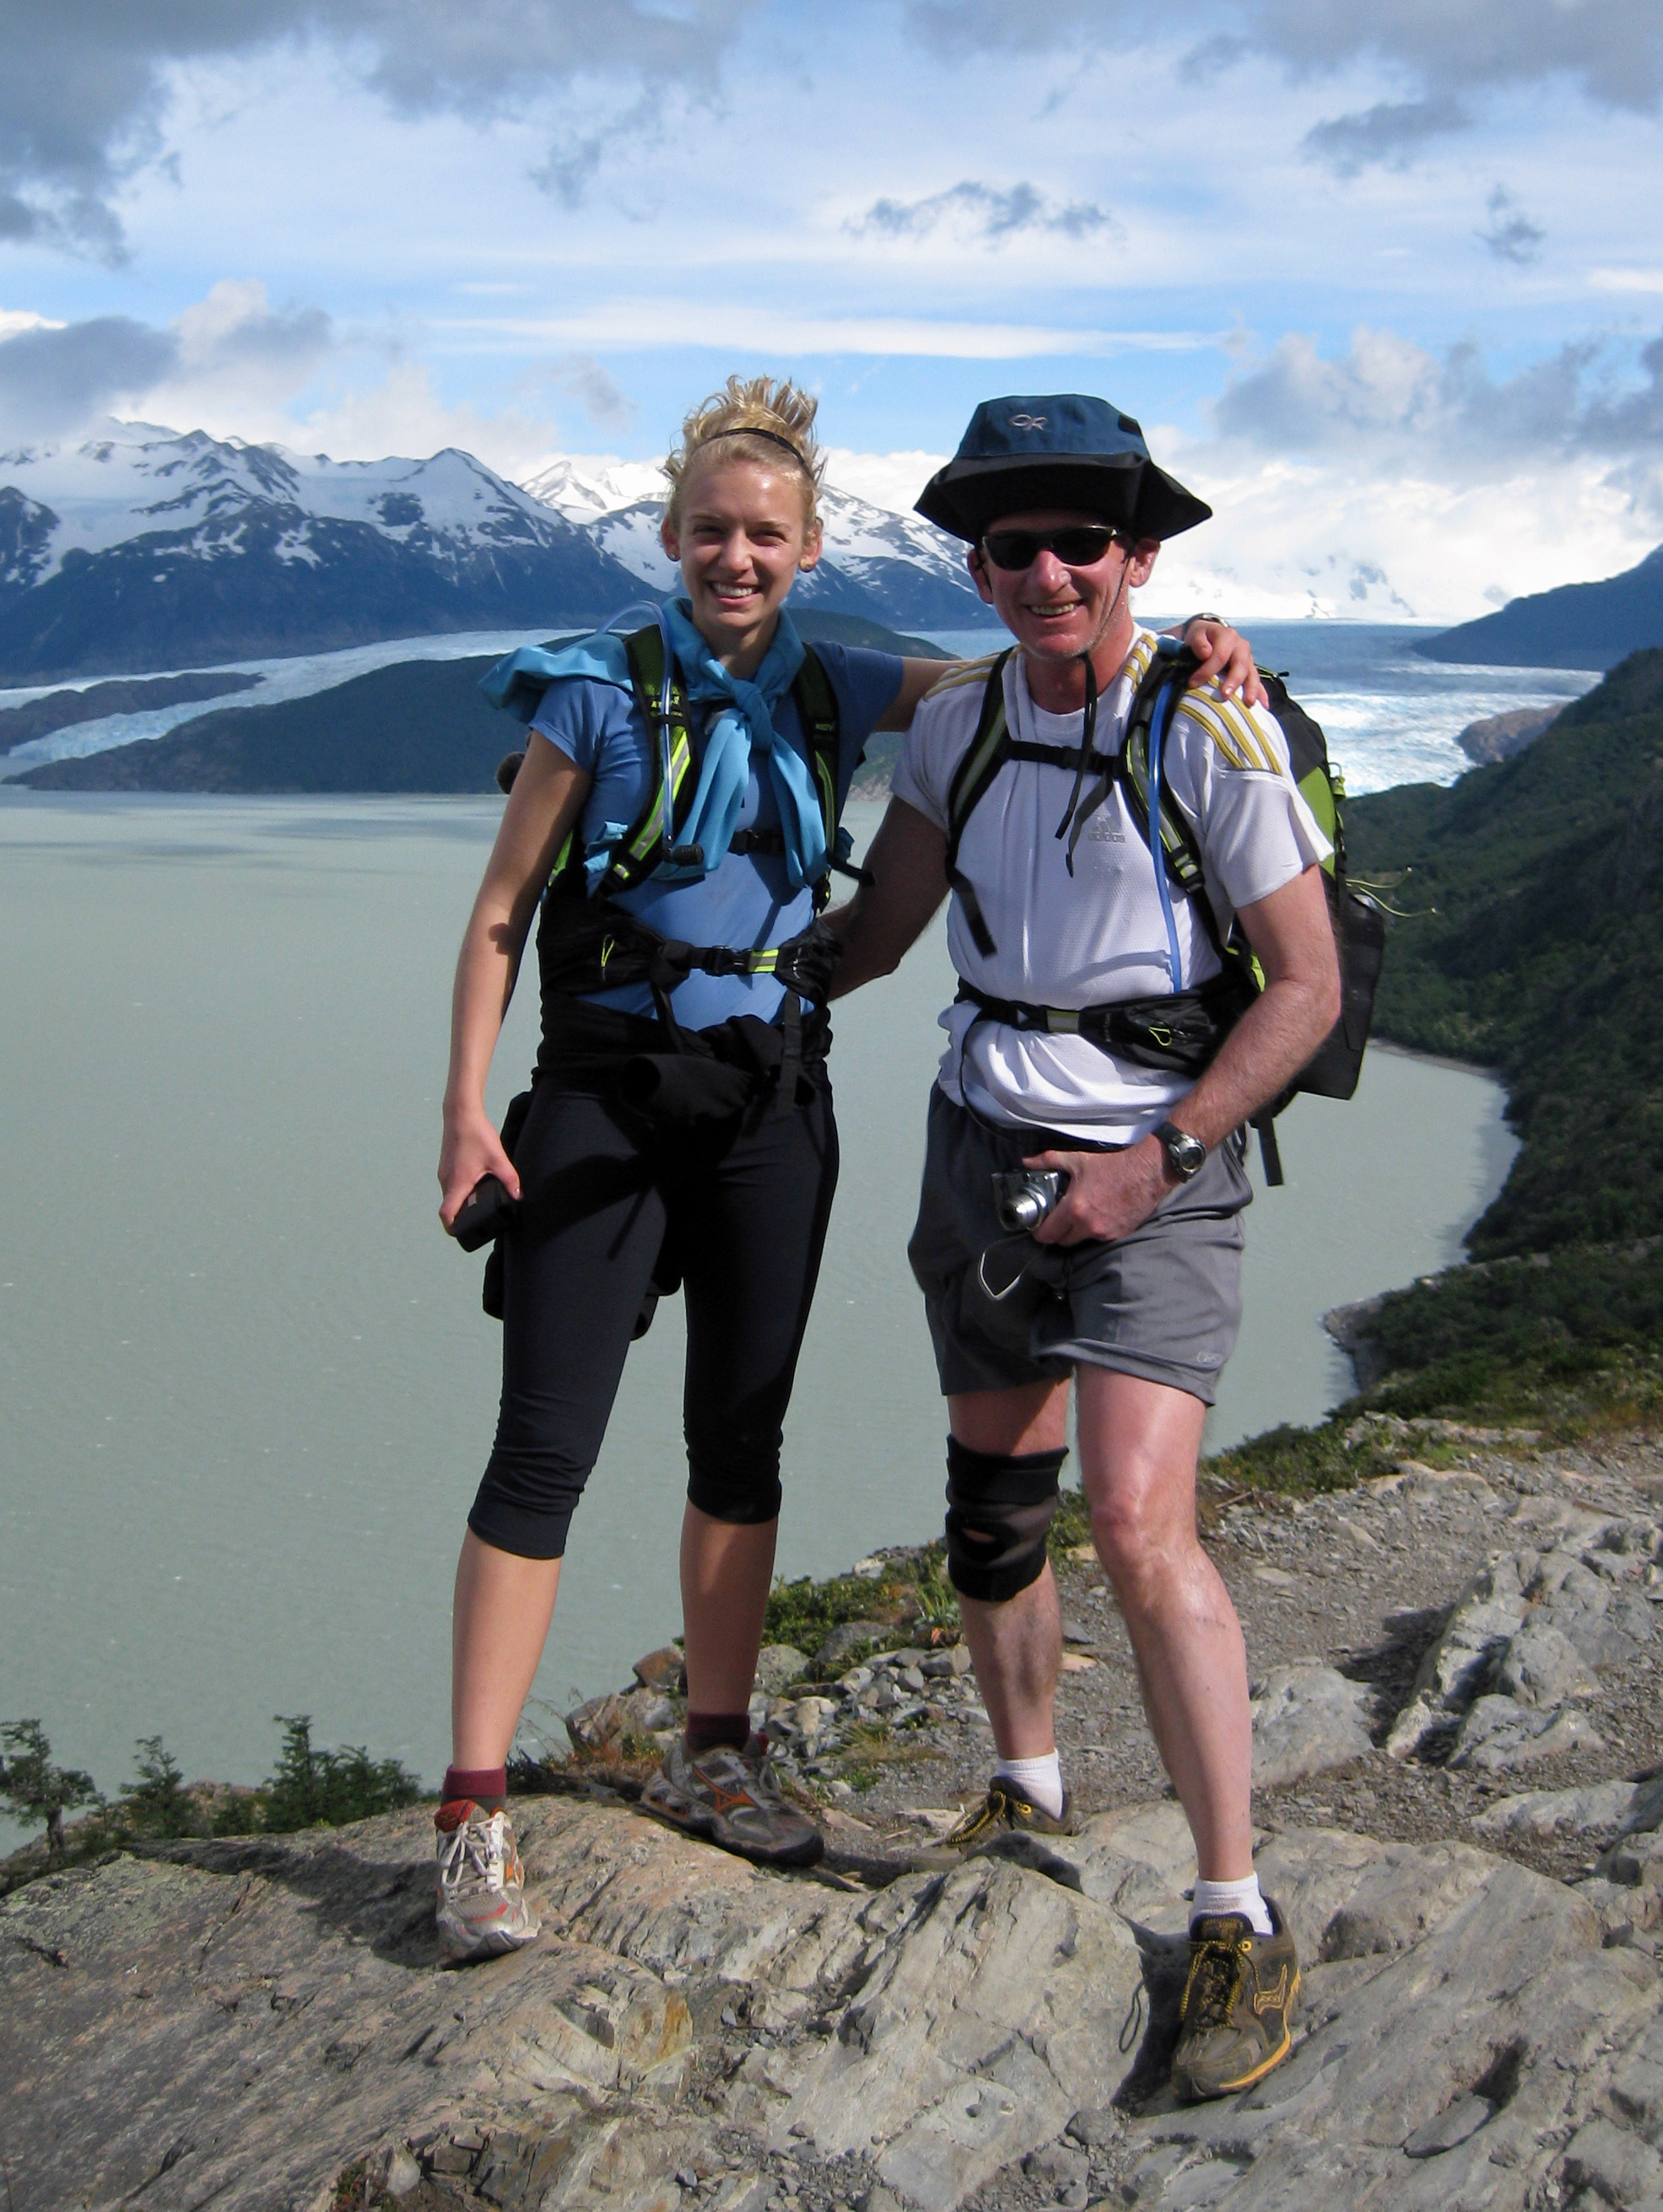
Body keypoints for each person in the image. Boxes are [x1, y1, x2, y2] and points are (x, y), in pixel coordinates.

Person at [429, 375, 1263, 1968]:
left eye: (768, 536)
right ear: (669, 537)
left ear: (811, 551)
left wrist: (1202, 644)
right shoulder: (592, 694)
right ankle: (474, 1812)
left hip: (769, 1103)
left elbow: (1030, 664)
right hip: (600, 1098)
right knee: (544, 1445)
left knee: (740, 1436)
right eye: (712, 533)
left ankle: (718, 1746)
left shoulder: (841, 681)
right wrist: (466, 1112)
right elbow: (499, 910)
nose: (736, 558)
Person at [827, 395, 1341, 2104]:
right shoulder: (955, 727)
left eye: (1079, 542)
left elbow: (1304, 988)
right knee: (994, 1509)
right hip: (981, 1144)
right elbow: (884, 932)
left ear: (1137, 555)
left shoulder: (1207, 727)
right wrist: (683, 976)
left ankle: (1232, 1908)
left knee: (1131, 1519)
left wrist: (1157, 1159)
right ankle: (1028, 1788)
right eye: (1009, 545)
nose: (1046, 570)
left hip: (1154, 1160)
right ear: (972, 570)